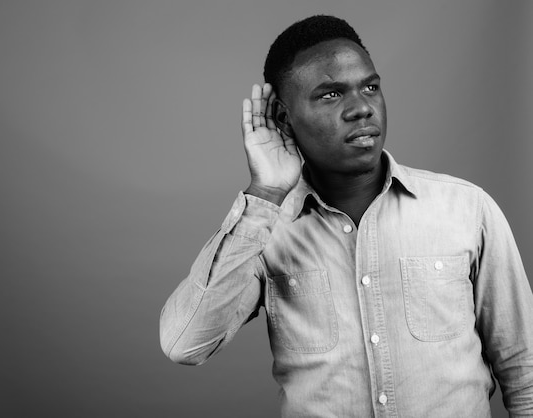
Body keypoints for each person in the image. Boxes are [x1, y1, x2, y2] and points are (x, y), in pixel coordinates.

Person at [159, 15, 533, 417]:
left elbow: (523, 365)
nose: (361, 109)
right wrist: (265, 193)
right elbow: (186, 343)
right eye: (331, 95)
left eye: (370, 87)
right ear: (284, 118)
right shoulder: (266, 231)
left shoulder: (466, 208)